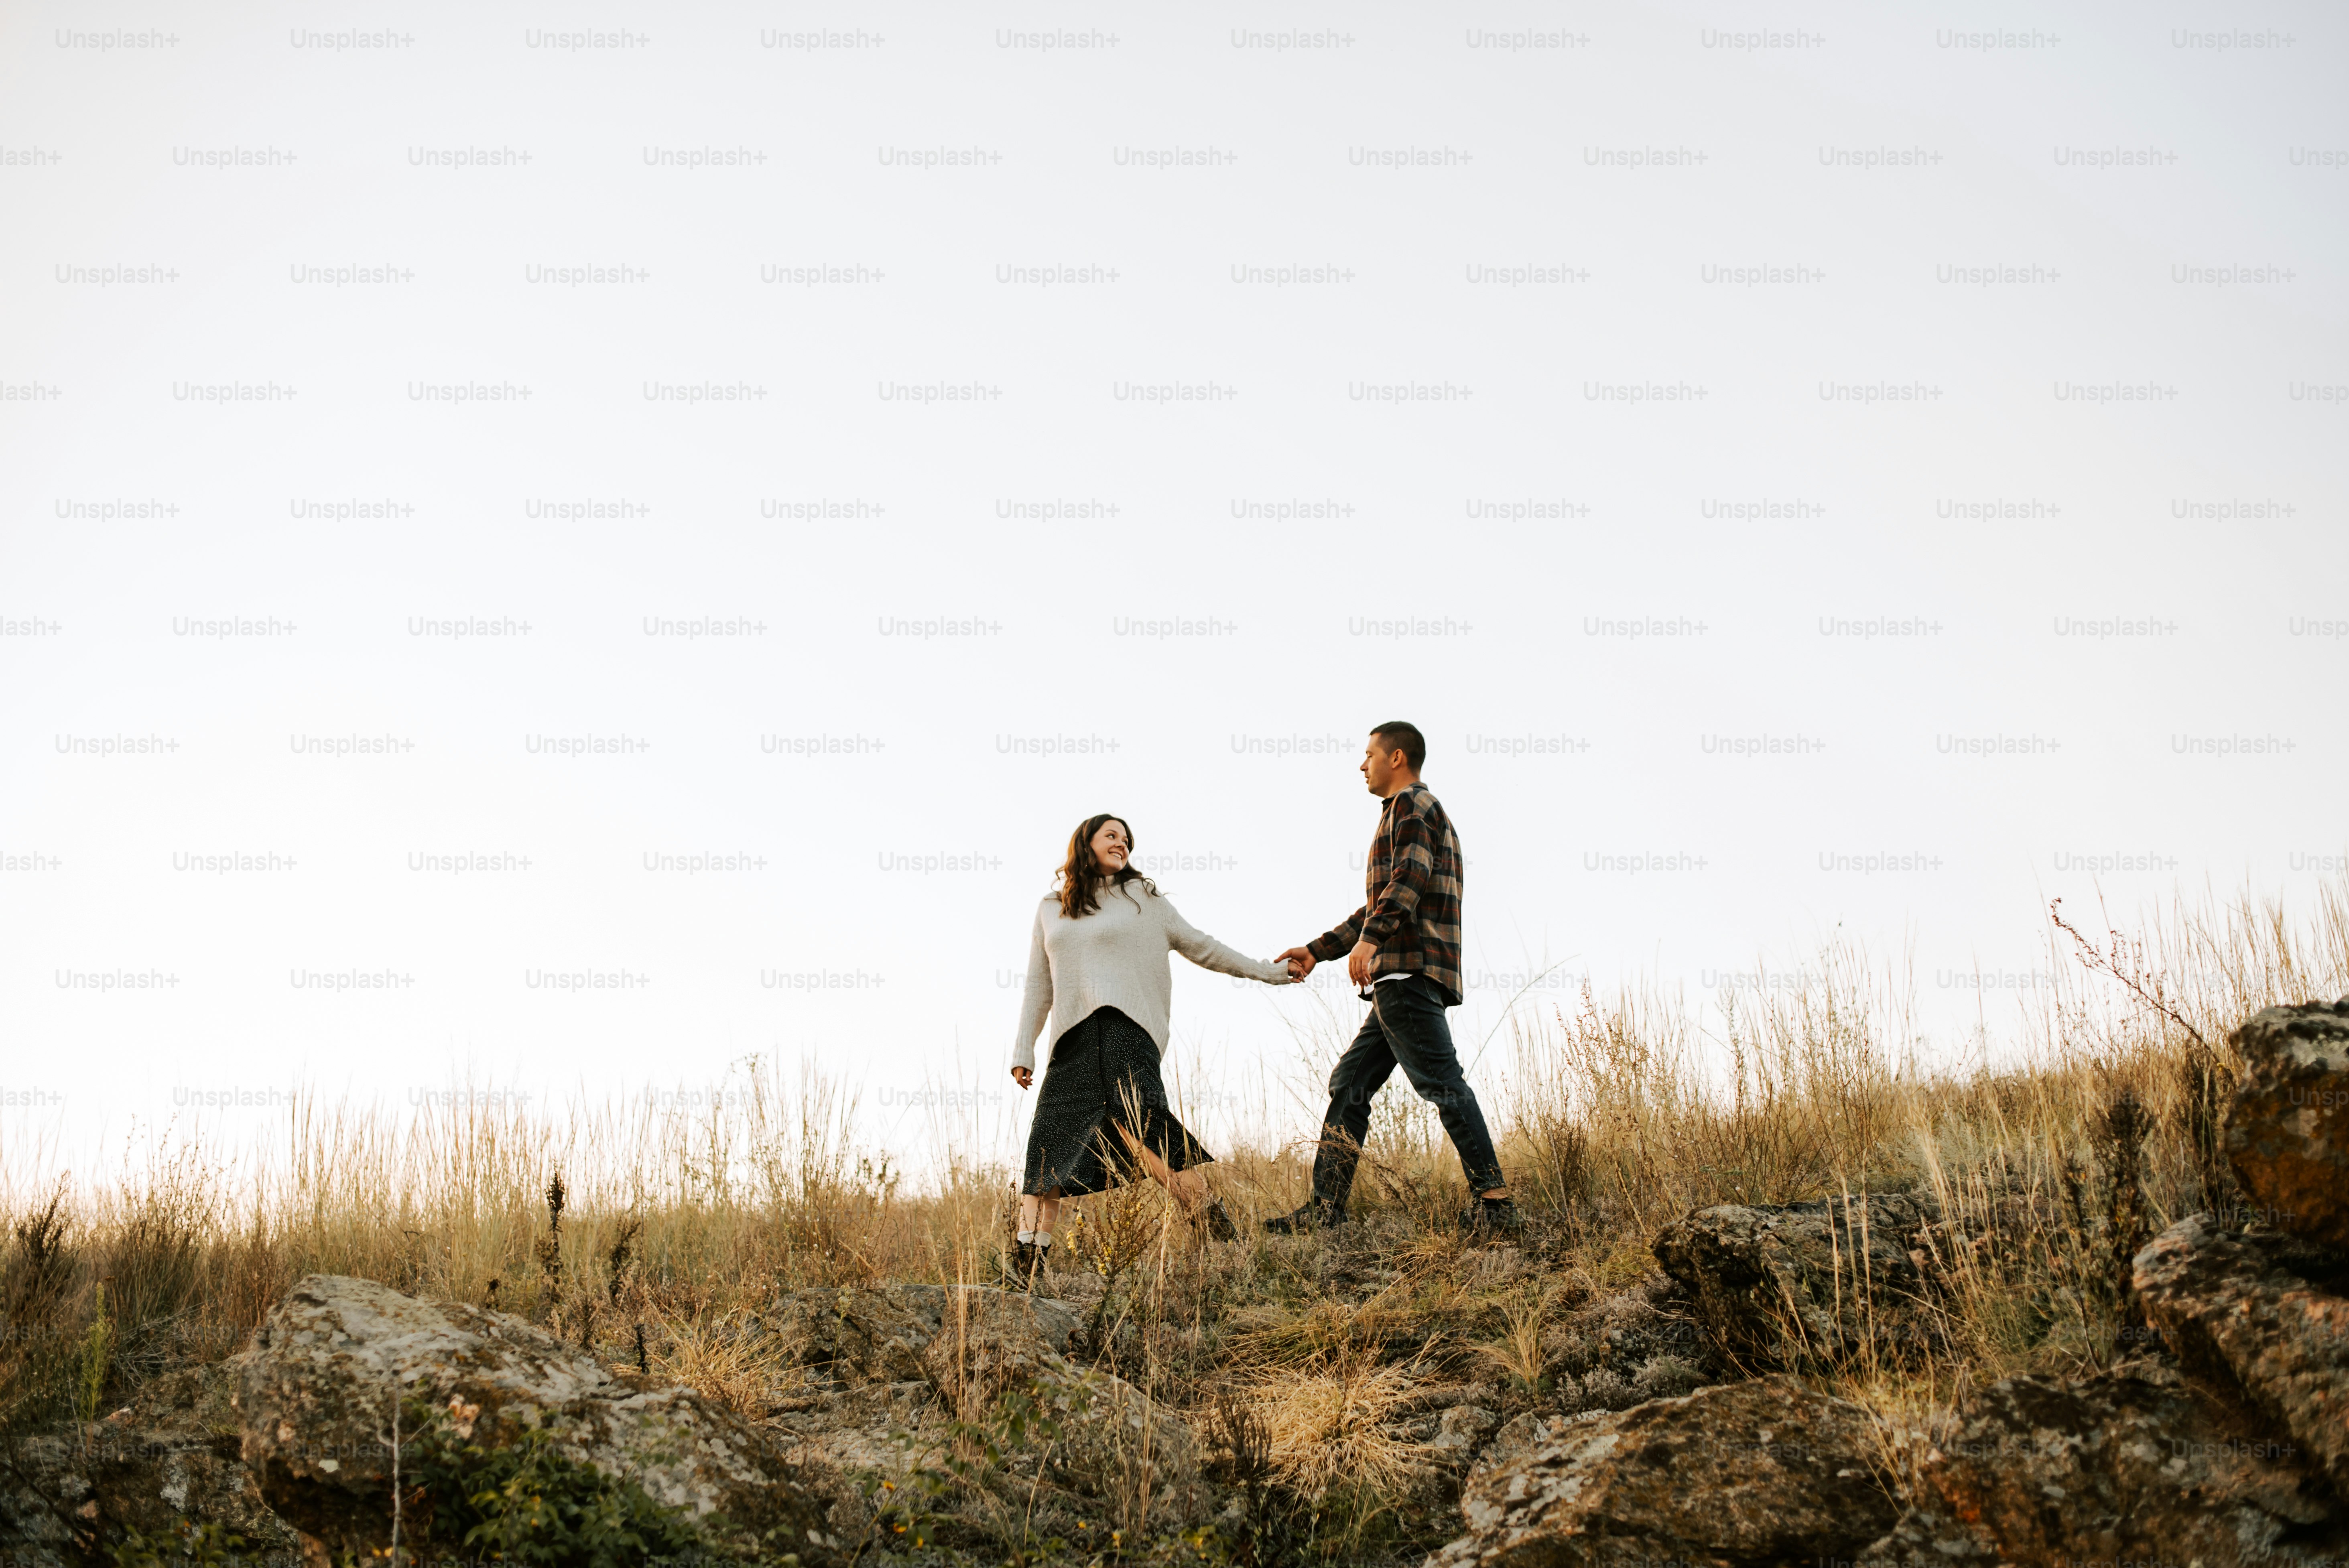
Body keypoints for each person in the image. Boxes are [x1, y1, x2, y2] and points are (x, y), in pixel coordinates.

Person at [1009, 812, 1294, 1287]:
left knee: (1142, 1128)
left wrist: (1270, 970)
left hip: (1127, 1029)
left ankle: (1218, 1233)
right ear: (1086, 842)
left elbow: (1203, 946)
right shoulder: (1050, 906)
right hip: (1072, 1039)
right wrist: (1025, 1047)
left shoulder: (1144, 900)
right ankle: (1024, 1275)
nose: (1122, 844)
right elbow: (1039, 982)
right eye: (1112, 835)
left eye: (1127, 839)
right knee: (1047, 1149)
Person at [1271, 721, 1518, 1237]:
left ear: (1396, 757)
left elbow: (1409, 879)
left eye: (1368, 755)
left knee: (1442, 1085)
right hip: (1398, 976)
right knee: (1351, 1082)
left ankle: (1496, 1206)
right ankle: (1326, 1208)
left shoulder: (1413, 806)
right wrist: (1319, 950)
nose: (1362, 764)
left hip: (1405, 973)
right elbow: (1377, 904)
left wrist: (1370, 942)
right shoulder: (1406, 812)